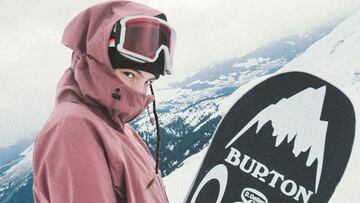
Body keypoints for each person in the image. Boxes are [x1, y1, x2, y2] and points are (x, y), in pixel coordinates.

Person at [32, 1, 176, 202]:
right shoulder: (73, 128)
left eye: (147, 82)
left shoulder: (117, 126)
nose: (137, 92)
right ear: (97, 63)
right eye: (129, 74)